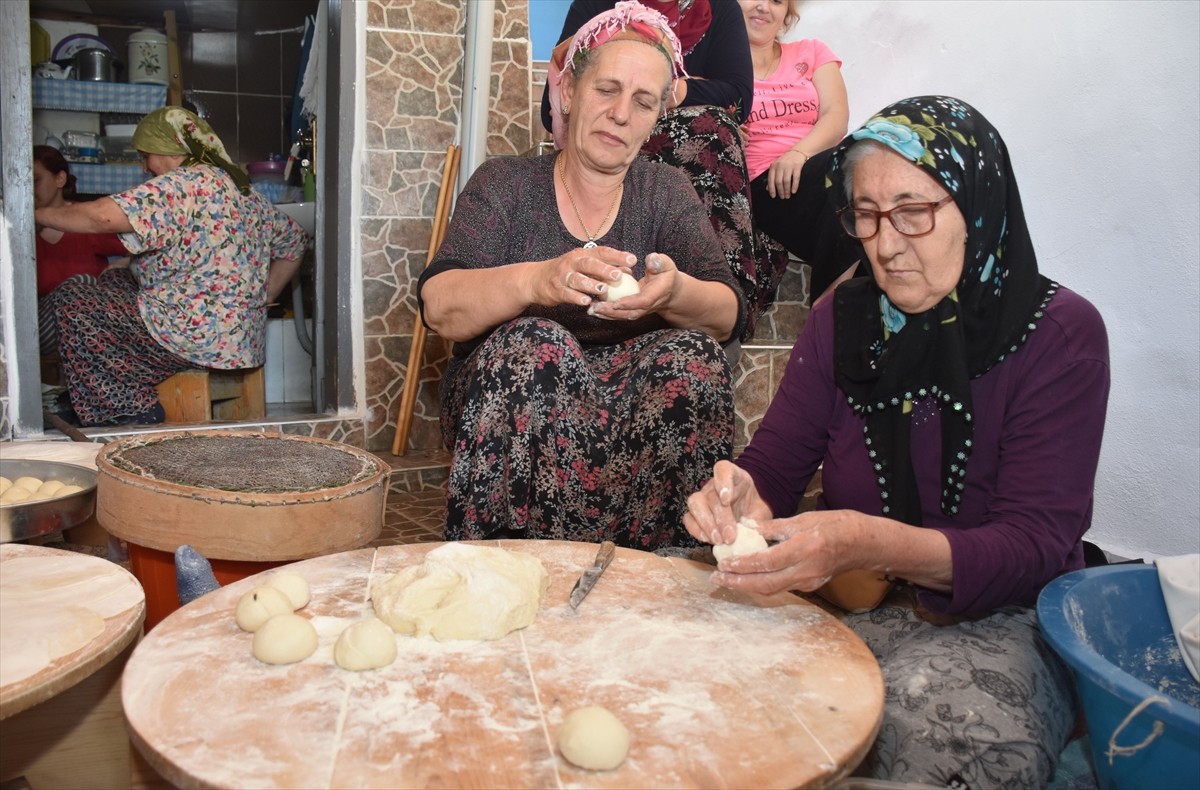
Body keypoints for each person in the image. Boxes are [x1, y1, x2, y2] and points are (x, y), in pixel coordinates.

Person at [684, 96, 1110, 786]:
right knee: (704, 683)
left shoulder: (1060, 337)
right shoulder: (841, 320)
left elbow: (1034, 546)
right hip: (852, 596)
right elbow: (776, 466)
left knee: (942, 744)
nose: (884, 243)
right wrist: (740, 498)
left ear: (977, 206)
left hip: (1004, 616)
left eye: (914, 212)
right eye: (867, 215)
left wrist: (868, 541)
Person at [421, 2, 746, 550]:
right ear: (570, 92)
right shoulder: (506, 184)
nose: (621, 113)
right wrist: (536, 282)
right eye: (607, 89)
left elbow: (729, 312)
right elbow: (439, 306)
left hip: (628, 407)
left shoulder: (664, 192)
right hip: (514, 399)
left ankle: (665, 574)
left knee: (692, 357)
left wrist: (675, 292)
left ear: (655, 119)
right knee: (537, 342)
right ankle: (505, 560)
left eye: (643, 102)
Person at [35, 107, 311, 427]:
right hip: (238, 343)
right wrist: (260, 298)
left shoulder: (181, 184)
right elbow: (295, 242)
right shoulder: (242, 188)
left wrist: (32, 213)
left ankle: (127, 408)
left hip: (187, 340)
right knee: (116, 279)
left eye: (146, 155)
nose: (145, 166)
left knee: (73, 299)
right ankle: (103, 392)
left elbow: (101, 217)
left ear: (167, 148)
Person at [542, 0, 787, 338]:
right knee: (711, 124)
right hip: (617, 137)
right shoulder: (597, 4)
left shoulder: (717, 8)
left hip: (688, 132)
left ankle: (719, 297)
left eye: (644, 94)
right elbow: (552, 101)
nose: (622, 108)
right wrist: (649, 95)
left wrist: (665, 92)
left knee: (713, 127)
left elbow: (738, 96)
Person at [739, 0, 860, 301]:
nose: (764, 7)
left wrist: (798, 154)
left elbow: (836, 115)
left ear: (787, 14)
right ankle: (829, 319)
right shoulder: (718, 68)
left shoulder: (813, 52)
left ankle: (828, 316)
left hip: (817, 166)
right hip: (767, 185)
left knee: (862, 173)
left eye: (777, 1)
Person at [32, 145, 128, 354]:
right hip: (42, 329)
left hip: (89, 329)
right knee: (81, 284)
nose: (29, 188)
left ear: (60, 179)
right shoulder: (19, 230)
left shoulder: (87, 221)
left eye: (36, 181)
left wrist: (121, 264)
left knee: (91, 289)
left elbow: (140, 249)